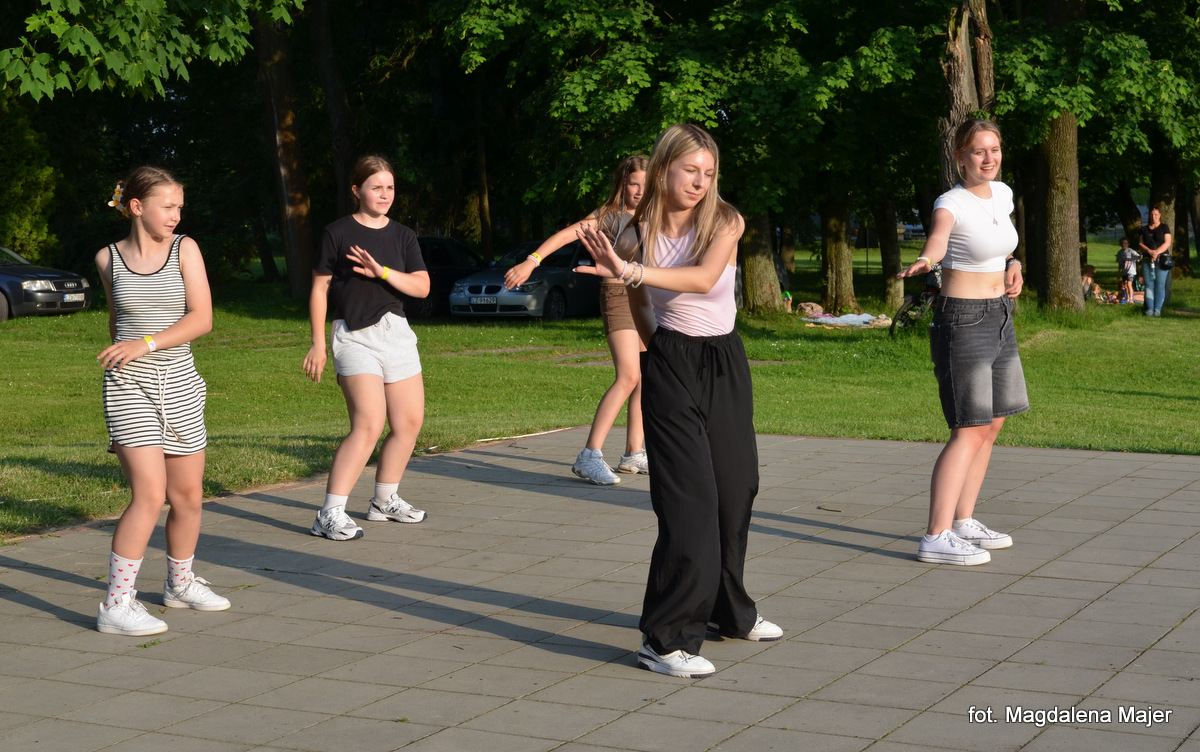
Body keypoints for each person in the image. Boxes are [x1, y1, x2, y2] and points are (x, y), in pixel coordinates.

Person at [576, 124, 781, 679]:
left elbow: (705, 277)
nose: (700, 181)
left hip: (724, 361)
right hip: (672, 360)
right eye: (690, 170)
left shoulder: (725, 220)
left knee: (736, 491)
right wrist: (660, 351)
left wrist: (630, 271)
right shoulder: (634, 235)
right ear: (664, 168)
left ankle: (726, 611)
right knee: (689, 505)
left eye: (708, 172)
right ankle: (664, 639)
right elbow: (641, 304)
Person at [95, 166, 230, 635]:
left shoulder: (184, 249)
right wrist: (132, 350)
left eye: (179, 207)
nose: (176, 215)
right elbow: (117, 322)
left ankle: (179, 584)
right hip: (128, 386)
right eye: (168, 206)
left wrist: (146, 344)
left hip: (180, 384)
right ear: (137, 207)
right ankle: (116, 605)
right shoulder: (107, 258)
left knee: (187, 496)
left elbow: (202, 318)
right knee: (150, 494)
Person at [897, 118, 1027, 567]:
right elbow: (939, 239)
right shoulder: (949, 202)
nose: (989, 158)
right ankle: (935, 535)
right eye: (978, 151)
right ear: (960, 157)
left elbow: (1001, 243)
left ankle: (964, 520)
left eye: (995, 149)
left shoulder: (1003, 193)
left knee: (992, 423)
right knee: (968, 427)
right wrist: (925, 260)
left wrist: (1013, 263)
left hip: (1000, 316)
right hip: (963, 320)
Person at [304, 156, 430, 541]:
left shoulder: (403, 236)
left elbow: (422, 287)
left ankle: (384, 500)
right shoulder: (337, 232)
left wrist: (383, 272)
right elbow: (320, 289)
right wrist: (318, 343)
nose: (385, 194)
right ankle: (329, 514)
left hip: (397, 334)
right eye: (376, 187)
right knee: (369, 424)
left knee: (409, 423)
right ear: (356, 190)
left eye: (390, 188)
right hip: (354, 335)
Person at [504, 156, 648, 485]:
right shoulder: (608, 216)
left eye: (646, 184)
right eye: (633, 184)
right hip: (617, 296)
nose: (640, 191)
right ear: (622, 185)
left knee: (644, 378)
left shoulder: (656, 214)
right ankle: (589, 456)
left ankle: (633, 453)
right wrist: (532, 261)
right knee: (628, 375)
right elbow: (565, 236)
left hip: (645, 298)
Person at [1138, 206, 1171, 316]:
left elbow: (1167, 242)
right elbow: (1141, 244)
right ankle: (1150, 309)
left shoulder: (1164, 227)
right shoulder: (1144, 229)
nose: (1154, 217)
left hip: (1162, 260)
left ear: (1160, 215)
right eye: (1152, 215)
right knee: (1149, 285)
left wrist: (1156, 252)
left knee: (1160, 285)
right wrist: (1149, 251)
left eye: (1156, 214)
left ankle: (1157, 309)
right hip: (1147, 260)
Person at [1116, 237, 1139, 304]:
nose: (1124, 245)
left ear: (1128, 244)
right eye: (1122, 243)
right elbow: (1120, 263)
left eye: (1125, 243)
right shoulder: (1120, 253)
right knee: (1125, 285)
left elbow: (1138, 257)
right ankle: (1127, 298)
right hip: (1124, 271)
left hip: (1131, 271)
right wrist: (1119, 272)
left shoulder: (1131, 251)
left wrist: (1135, 257)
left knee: (1129, 284)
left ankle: (1131, 299)